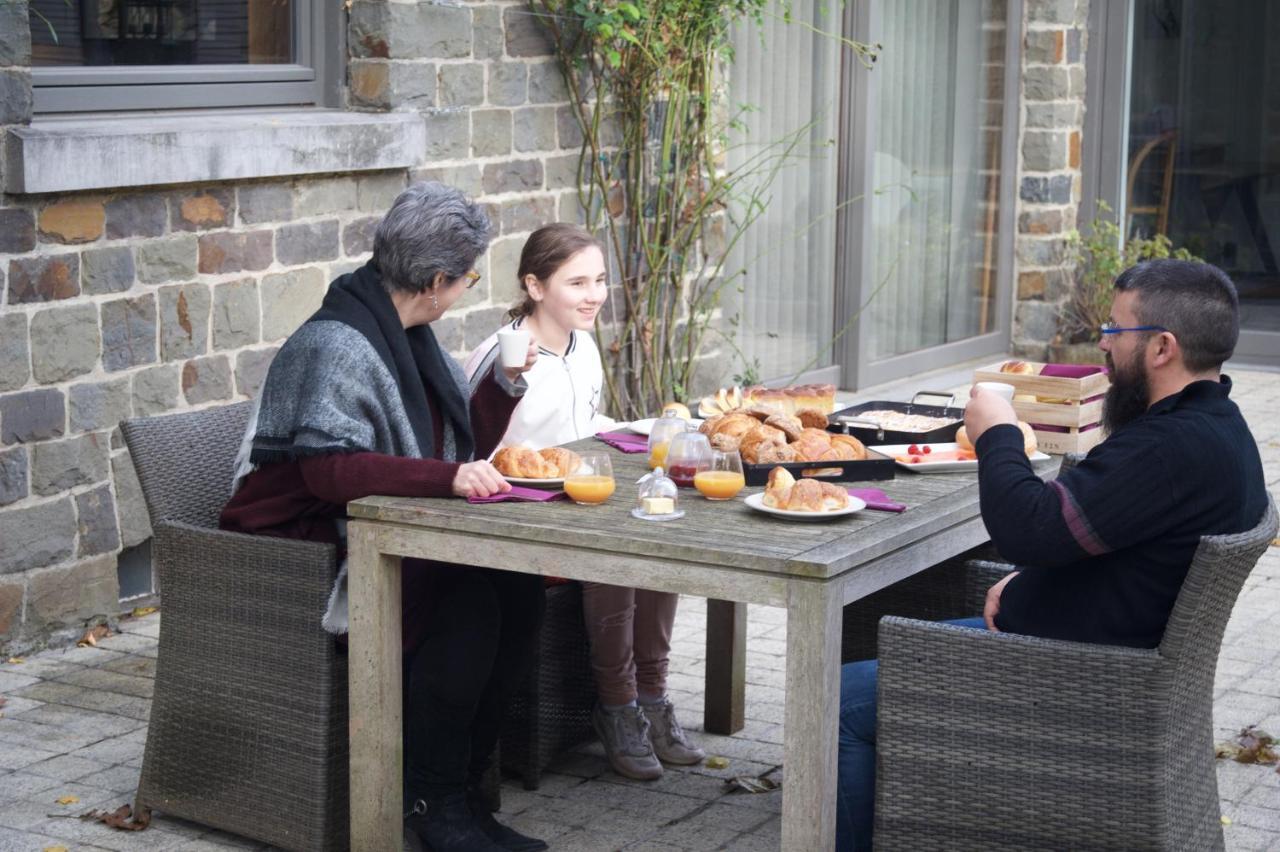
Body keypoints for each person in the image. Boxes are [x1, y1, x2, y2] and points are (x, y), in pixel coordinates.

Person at [835, 258, 1268, 851]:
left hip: (1069, 680)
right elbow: (1091, 539)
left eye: (1115, 333)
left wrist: (998, 432)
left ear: (1163, 347)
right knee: (881, 642)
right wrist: (1021, 584)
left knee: (834, 705)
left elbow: (1030, 530)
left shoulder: (1169, 449)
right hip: (1111, 663)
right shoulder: (1218, 425)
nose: (1104, 349)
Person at [220, 182, 550, 852]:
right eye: (466, 279)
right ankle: (433, 806)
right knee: (467, 605)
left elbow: (455, 448)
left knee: (519, 588)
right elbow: (327, 471)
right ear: (435, 279)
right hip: (300, 547)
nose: (465, 290)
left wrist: (503, 387)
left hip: (369, 521)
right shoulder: (338, 344)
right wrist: (449, 479)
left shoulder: (409, 335)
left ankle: (461, 791)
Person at [465, 223, 707, 781]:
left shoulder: (583, 346)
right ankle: (617, 707)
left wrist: (638, 428)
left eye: (599, 280)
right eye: (577, 282)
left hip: (577, 499)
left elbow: (579, 428)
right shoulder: (503, 357)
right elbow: (474, 447)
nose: (594, 294)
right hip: (518, 516)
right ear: (534, 284)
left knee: (660, 528)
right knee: (618, 553)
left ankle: (653, 697)